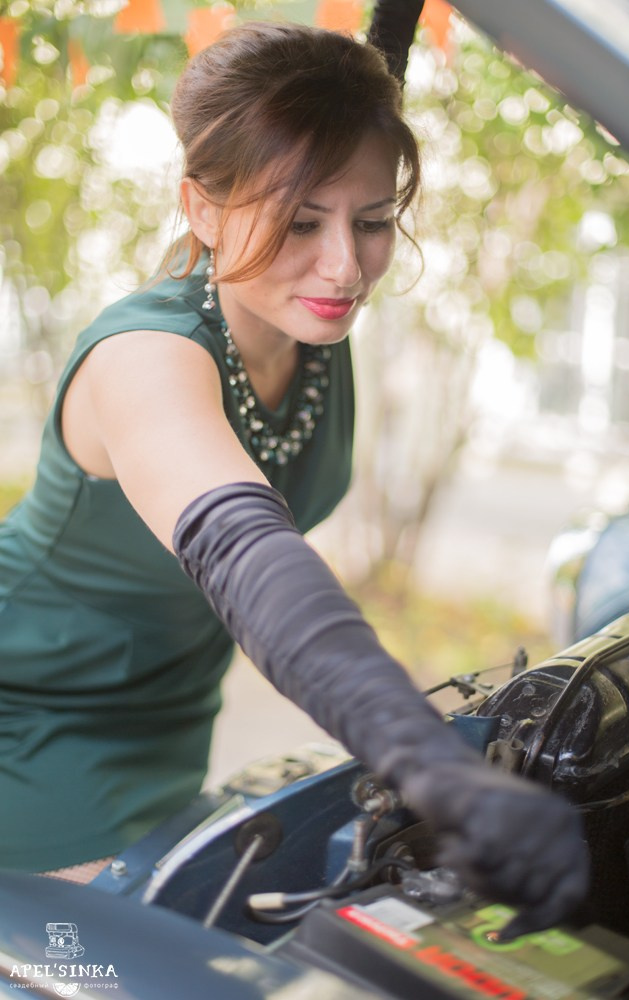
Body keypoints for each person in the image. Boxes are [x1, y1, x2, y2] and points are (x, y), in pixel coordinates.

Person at [0, 20, 588, 936]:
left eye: (374, 220)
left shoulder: (304, 323)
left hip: (166, 725)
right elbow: (243, 550)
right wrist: (425, 763)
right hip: (29, 724)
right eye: (300, 222)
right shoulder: (146, 358)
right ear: (199, 208)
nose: (344, 267)